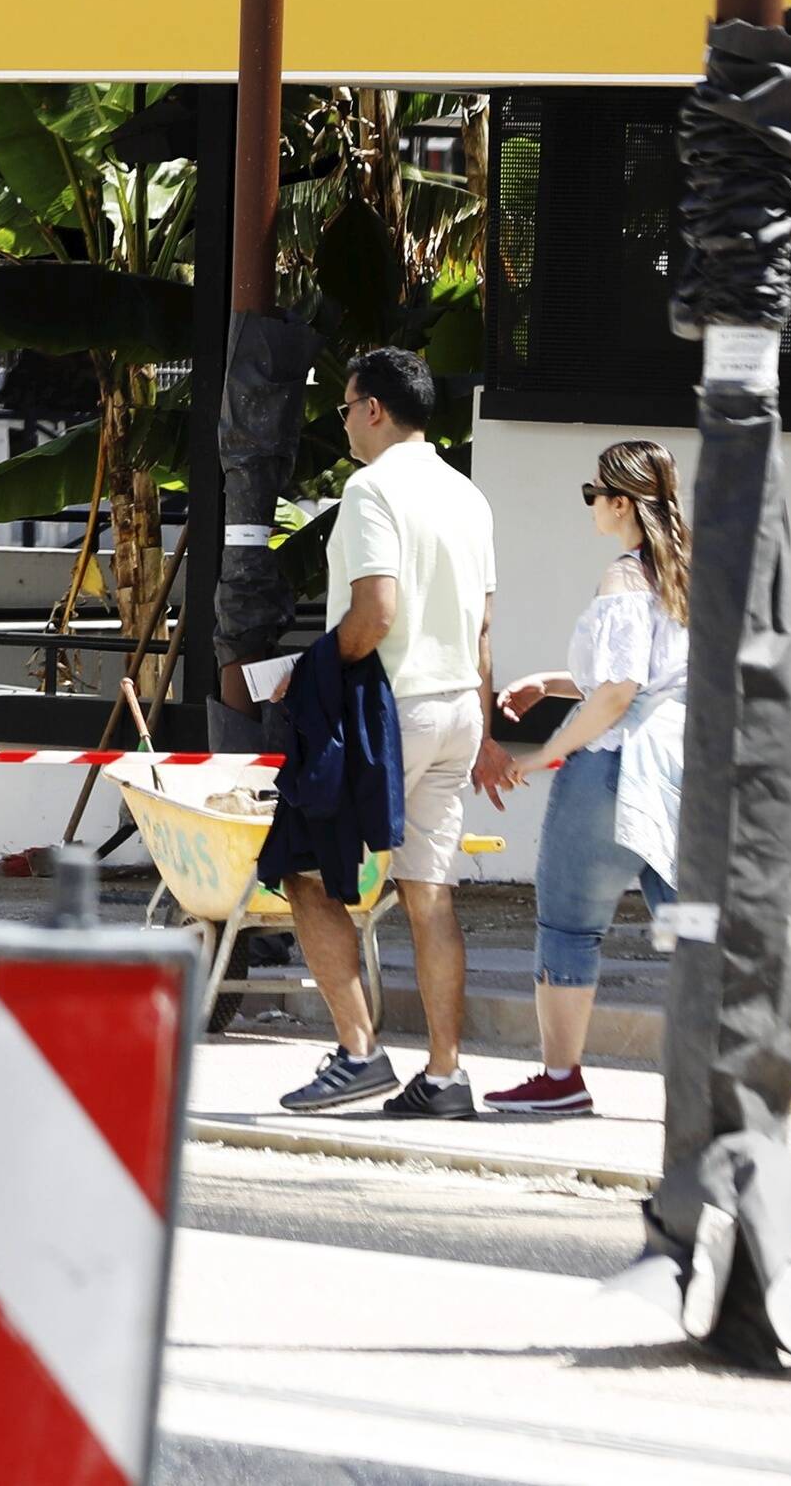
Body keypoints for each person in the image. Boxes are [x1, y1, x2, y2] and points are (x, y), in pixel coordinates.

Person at [274, 347, 497, 1122]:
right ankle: (444, 1075)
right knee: (430, 894)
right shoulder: (469, 495)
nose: (343, 422)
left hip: (388, 709)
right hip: (459, 707)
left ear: (373, 408)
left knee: (300, 867)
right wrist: (490, 728)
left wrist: (310, 667)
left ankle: (360, 1052)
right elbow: (484, 626)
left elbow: (375, 613)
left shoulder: (371, 490)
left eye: (344, 407)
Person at [475, 439, 690, 1121]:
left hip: (614, 766)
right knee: (691, 922)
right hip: (681, 764)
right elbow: (653, 673)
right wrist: (556, 680)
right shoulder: (688, 571)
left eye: (593, 491)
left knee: (569, 924)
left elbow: (619, 691)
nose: (591, 502)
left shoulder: (623, 579)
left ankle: (561, 1076)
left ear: (622, 501)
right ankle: (752, 1061)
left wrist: (542, 754)